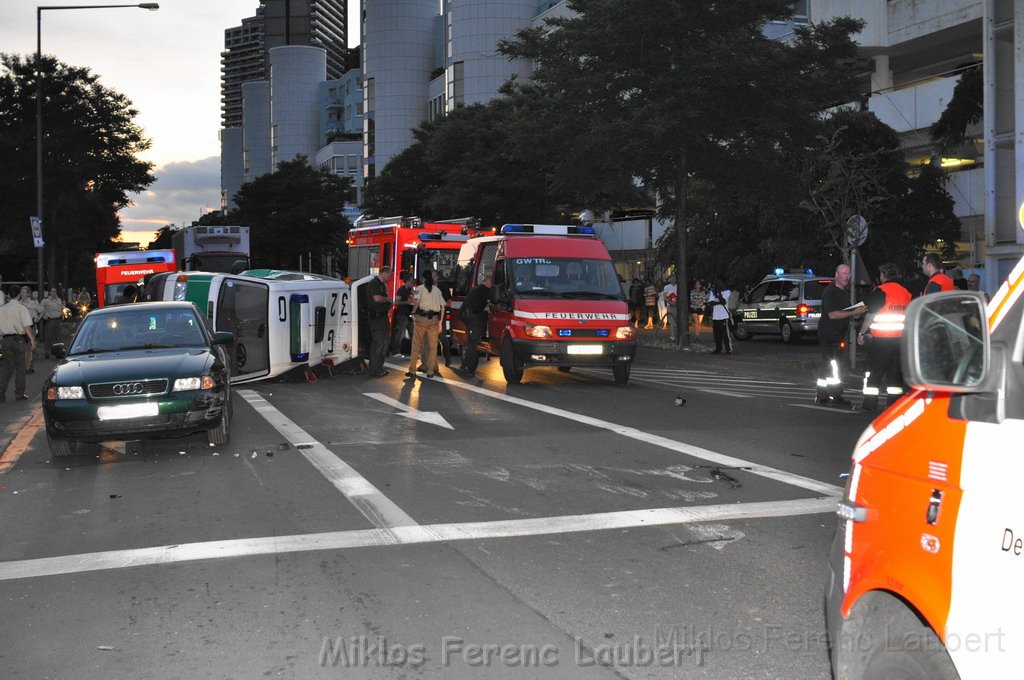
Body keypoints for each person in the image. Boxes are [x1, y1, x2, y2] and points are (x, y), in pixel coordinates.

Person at [856, 263, 913, 413]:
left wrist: (862, 333)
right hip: (900, 341)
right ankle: (893, 407)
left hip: (881, 341)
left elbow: (871, 315)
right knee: (895, 376)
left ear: (883, 275)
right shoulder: (906, 293)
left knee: (875, 373)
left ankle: (869, 406)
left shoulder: (881, 291)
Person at [815, 264, 866, 406]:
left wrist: (857, 312)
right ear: (836, 274)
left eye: (848, 274)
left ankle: (822, 395)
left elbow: (846, 312)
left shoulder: (842, 291)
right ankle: (835, 395)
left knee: (828, 364)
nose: (846, 276)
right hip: (829, 333)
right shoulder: (831, 291)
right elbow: (832, 314)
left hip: (837, 333)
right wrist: (853, 313)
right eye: (843, 273)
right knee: (834, 364)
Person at [0, 285, 38, 401]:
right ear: (18, 295)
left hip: (6, 339)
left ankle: (1, 391)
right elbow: (26, 325)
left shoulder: (2, 309)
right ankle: (19, 393)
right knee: (20, 368)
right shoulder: (21, 308)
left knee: (6, 367)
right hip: (19, 340)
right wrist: (32, 340)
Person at [406, 269, 446, 379]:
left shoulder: (419, 289)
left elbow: (417, 302)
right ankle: (430, 371)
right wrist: (440, 323)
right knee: (433, 347)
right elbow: (443, 307)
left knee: (416, 345)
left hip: (421, 319)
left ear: (423, 278)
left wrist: (413, 313)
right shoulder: (437, 290)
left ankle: (412, 370)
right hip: (434, 319)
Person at [459, 279, 491, 376]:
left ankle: (466, 365)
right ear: (488, 283)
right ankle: (469, 367)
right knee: (474, 341)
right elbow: (491, 303)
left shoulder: (477, 288)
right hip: (472, 315)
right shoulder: (486, 290)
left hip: (465, 314)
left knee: (473, 340)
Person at [365, 266, 393, 377]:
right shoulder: (375, 284)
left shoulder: (381, 284)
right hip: (377, 318)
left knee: (383, 342)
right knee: (379, 343)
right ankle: (374, 370)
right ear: (384, 273)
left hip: (382, 317)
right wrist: (388, 299)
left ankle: (378, 367)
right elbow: (377, 298)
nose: (390, 277)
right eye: (389, 275)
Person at [389, 271, 413, 357]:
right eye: (411, 281)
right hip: (402, 314)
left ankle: (414, 352)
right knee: (400, 334)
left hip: (408, 314)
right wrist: (407, 302)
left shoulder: (409, 290)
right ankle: (396, 352)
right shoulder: (401, 290)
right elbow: (397, 302)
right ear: (407, 281)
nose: (412, 283)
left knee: (413, 334)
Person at [19, 287, 42, 373]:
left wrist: (38, 318)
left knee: (28, 347)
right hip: (21, 327)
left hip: (31, 326)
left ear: (28, 294)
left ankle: (26, 368)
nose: (22, 294)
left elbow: (42, 310)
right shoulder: (19, 303)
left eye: (24, 292)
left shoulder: (33, 302)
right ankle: (31, 366)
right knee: (23, 347)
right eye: (21, 292)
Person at [706, 282, 732, 354]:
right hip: (715, 316)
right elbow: (711, 302)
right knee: (716, 335)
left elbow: (723, 301)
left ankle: (728, 349)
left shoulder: (727, 291)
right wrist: (719, 301)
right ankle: (718, 349)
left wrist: (719, 294)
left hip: (724, 316)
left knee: (726, 335)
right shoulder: (713, 291)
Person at [40, 289, 64, 358]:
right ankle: (47, 353)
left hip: (58, 320)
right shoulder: (45, 301)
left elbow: (62, 308)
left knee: (58, 338)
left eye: (55, 291)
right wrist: (45, 317)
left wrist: (62, 315)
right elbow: (41, 309)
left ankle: (58, 353)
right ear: (49, 292)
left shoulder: (59, 300)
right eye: (52, 291)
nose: (54, 293)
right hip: (50, 320)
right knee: (48, 338)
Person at [662, 276, 679, 341]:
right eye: (671, 278)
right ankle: (672, 336)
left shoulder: (678, 286)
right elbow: (665, 297)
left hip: (677, 306)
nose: (673, 279)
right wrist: (671, 302)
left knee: (677, 321)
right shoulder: (666, 287)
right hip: (670, 305)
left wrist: (676, 302)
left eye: (674, 278)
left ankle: (677, 335)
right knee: (672, 321)